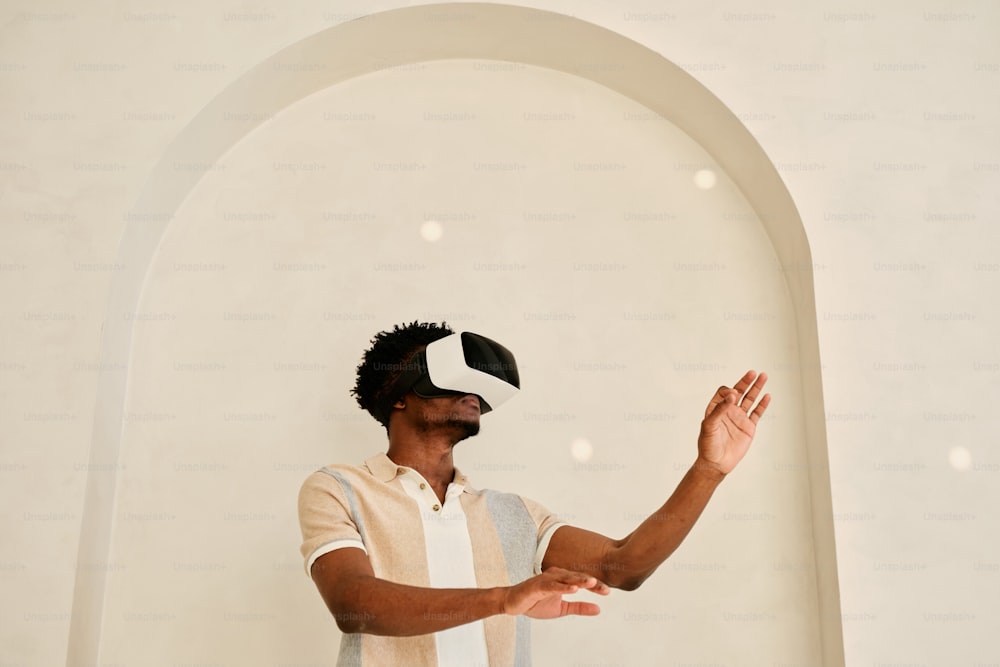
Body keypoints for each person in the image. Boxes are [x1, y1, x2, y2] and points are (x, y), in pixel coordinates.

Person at [298, 321, 771, 666]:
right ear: (398, 393)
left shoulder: (514, 513)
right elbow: (353, 601)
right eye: (451, 374)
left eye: (478, 386)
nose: (473, 394)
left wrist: (708, 470)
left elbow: (624, 566)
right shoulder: (340, 488)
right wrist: (505, 599)